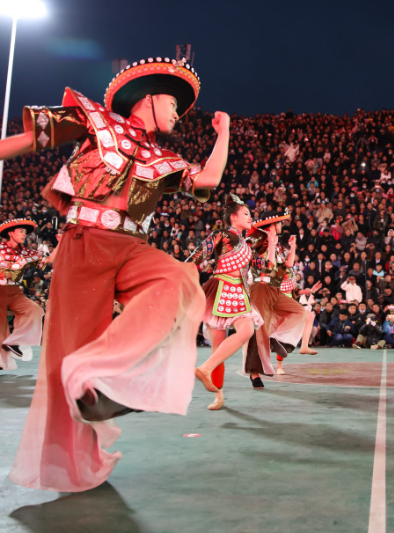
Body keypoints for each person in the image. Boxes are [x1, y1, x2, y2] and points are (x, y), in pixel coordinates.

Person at [1, 57, 229, 492]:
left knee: (179, 280)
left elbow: (209, 179)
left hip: (131, 246)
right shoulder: (94, 120)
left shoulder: (164, 157)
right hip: (83, 243)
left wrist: (224, 133)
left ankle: (102, 374)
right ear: (149, 98)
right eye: (173, 103)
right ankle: (76, 456)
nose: (178, 113)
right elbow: (31, 140)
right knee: (68, 350)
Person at [190, 195, 263, 411]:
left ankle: (204, 368)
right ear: (233, 217)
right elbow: (198, 256)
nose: (250, 217)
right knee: (218, 347)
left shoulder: (248, 246)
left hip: (239, 291)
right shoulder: (221, 235)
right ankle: (218, 395)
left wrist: (273, 244)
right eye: (246, 214)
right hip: (219, 288)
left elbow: (267, 267)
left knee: (247, 330)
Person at [243, 210, 306, 385]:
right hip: (260, 288)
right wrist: (270, 243)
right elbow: (267, 266)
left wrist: (292, 246)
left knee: (299, 312)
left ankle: (275, 339)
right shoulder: (256, 240)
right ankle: (254, 373)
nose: (281, 225)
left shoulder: (277, 243)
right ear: (272, 224)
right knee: (260, 329)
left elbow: (288, 265)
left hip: (275, 289)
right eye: (279, 222)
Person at [0, 219, 50, 370]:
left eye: (25, 232)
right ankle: (3, 362)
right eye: (20, 231)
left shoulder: (26, 252)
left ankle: (15, 342)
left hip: (14, 291)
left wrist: (61, 244)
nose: (24, 234)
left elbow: (46, 261)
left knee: (35, 311)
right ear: (10, 233)